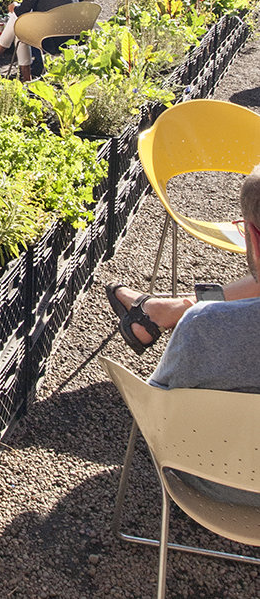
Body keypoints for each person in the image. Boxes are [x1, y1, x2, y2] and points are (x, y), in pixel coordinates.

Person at [106, 166, 260, 506]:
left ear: (252, 236)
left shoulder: (207, 326)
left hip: (216, 482)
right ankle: (163, 309)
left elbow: (159, 411)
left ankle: (161, 310)